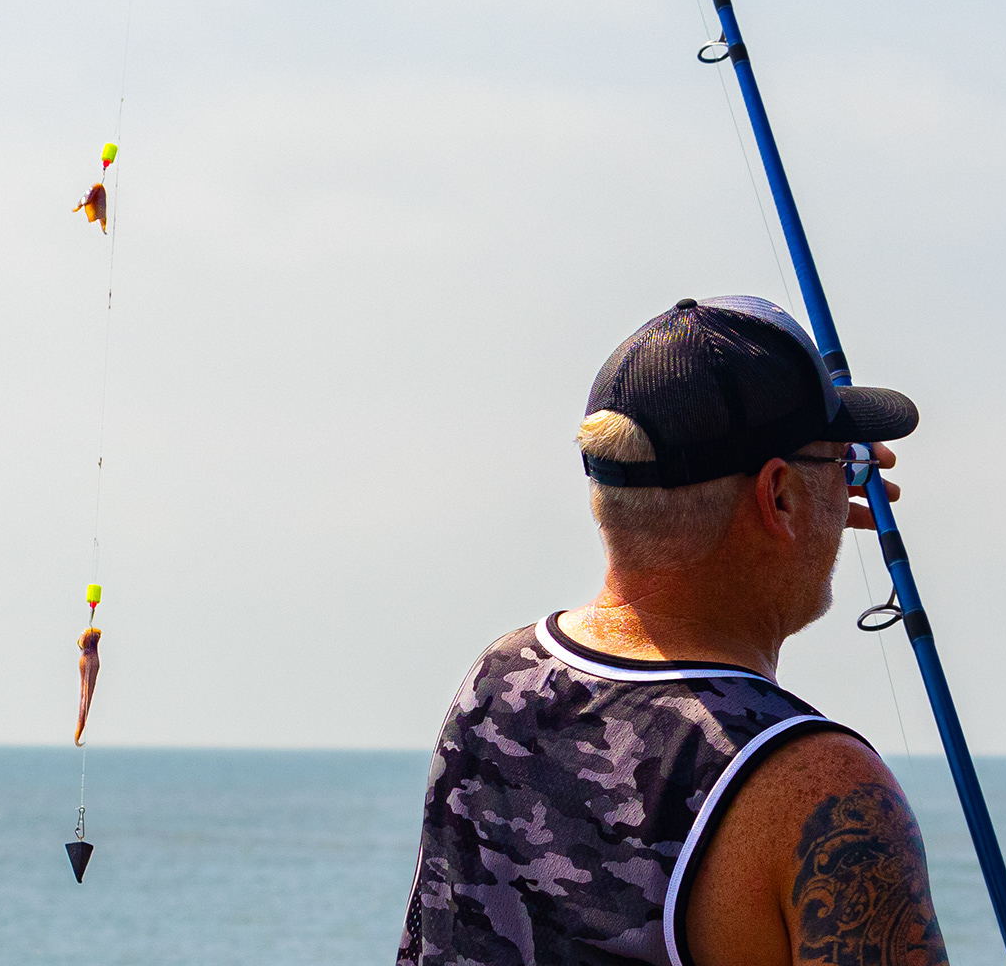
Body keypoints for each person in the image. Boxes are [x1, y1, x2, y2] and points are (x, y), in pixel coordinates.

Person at [398, 295, 948, 966]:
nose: (850, 483)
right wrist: (809, 514)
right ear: (776, 494)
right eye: (842, 464)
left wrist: (813, 496)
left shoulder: (499, 682)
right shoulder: (824, 793)